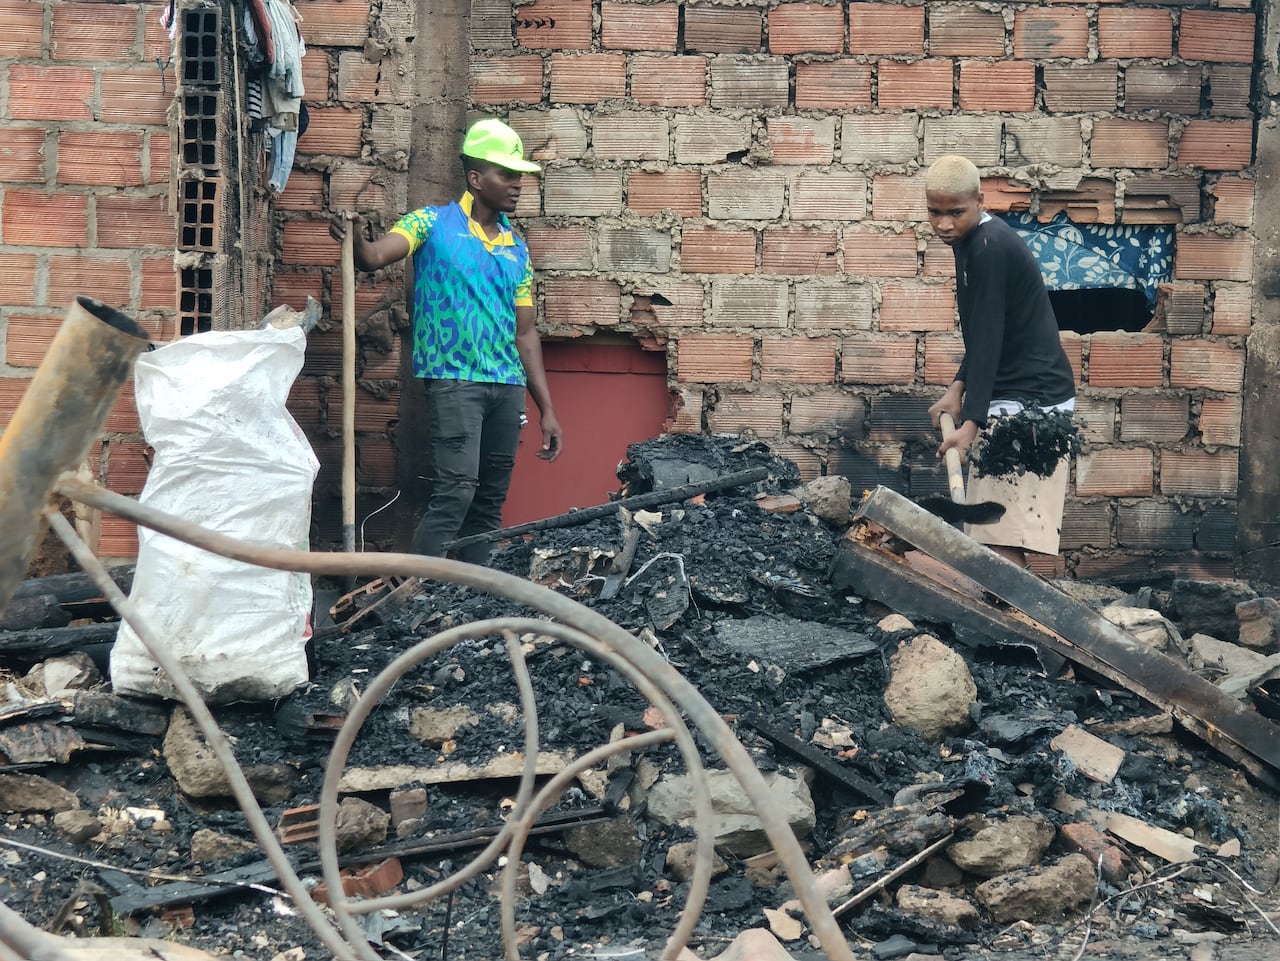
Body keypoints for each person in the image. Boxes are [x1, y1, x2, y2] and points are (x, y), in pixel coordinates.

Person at [330, 117, 563, 564]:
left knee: (488, 504)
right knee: (456, 492)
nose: (517, 184)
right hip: (455, 382)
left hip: (507, 387)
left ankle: (470, 597)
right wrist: (356, 238)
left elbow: (525, 332)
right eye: (506, 174)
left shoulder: (516, 248)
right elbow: (373, 257)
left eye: (519, 176)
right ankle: (419, 592)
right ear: (476, 178)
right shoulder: (430, 224)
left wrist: (547, 409)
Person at [924, 155, 1076, 569]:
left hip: (1033, 404)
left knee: (999, 536)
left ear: (980, 201)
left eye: (956, 212)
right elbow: (983, 331)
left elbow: (989, 337)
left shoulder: (989, 247)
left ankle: (1011, 609)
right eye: (935, 212)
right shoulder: (970, 240)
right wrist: (958, 388)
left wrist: (971, 425)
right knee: (992, 533)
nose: (944, 225)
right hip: (1012, 394)